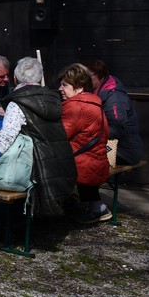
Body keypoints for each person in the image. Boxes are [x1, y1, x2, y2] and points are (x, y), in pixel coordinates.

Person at [0, 57, 75, 218]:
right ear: (39, 78)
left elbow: (6, 136)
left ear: (15, 78)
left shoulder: (18, 102)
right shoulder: (54, 99)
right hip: (60, 161)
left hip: (36, 165)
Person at [59, 63, 110, 223]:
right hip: (96, 159)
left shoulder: (76, 107)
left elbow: (60, 135)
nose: (60, 88)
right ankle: (97, 208)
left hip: (82, 162)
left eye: (65, 85)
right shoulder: (94, 103)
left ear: (79, 87)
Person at [86, 59, 143, 166]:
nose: (85, 79)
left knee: (80, 160)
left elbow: (116, 129)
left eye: (88, 76)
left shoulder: (114, 98)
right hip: (108, 146)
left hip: (124, 151)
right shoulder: (95, 91)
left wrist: (88, 133)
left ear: (100, 75)